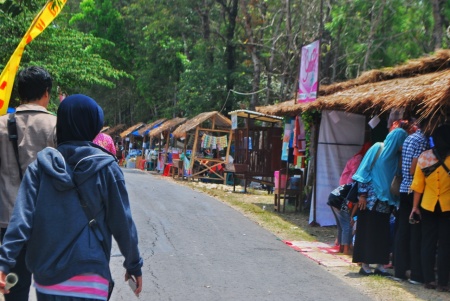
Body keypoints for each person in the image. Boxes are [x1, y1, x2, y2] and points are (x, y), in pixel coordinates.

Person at [0, 94, 143, 300]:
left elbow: (20, 220)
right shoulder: (107, 168)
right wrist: (134, 265)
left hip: (48, 279)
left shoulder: (40, 168)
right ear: (94, 124)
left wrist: (4, 264)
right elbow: (123, 224)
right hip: (91, 278)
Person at [0, 66, 57, 301]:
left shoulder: (2, 124)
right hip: (46, 220)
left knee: (15, 288)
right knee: (51, 287)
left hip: (8, 221)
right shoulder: (56, 125)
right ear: (46, 93)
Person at [351, 128, 408, 276]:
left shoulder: (397, 157)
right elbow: (363, 171)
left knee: (383, 234)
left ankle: (380, 264)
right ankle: (365, 264)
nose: (403, 145)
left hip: (386, 202)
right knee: (367, 231)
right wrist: (362, 195)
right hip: (370, 200)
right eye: (402, 141)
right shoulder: (377, 148)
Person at [410, 124, 450, 292]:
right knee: (445, 245)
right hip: (448, 207)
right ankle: (442, 282)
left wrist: (414, 208)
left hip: (428, 205)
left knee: (428, 242)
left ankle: (428, 280)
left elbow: (418, 186)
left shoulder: (425, 157)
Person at [393, 120, 429, 283]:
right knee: (416, 234)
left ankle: (399, 271)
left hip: (403, 188)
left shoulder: (409, 138)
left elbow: (403, 164)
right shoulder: (422, 140)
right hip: (414, 190)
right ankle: (415, 274)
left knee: (402, 231)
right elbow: (414, 168)